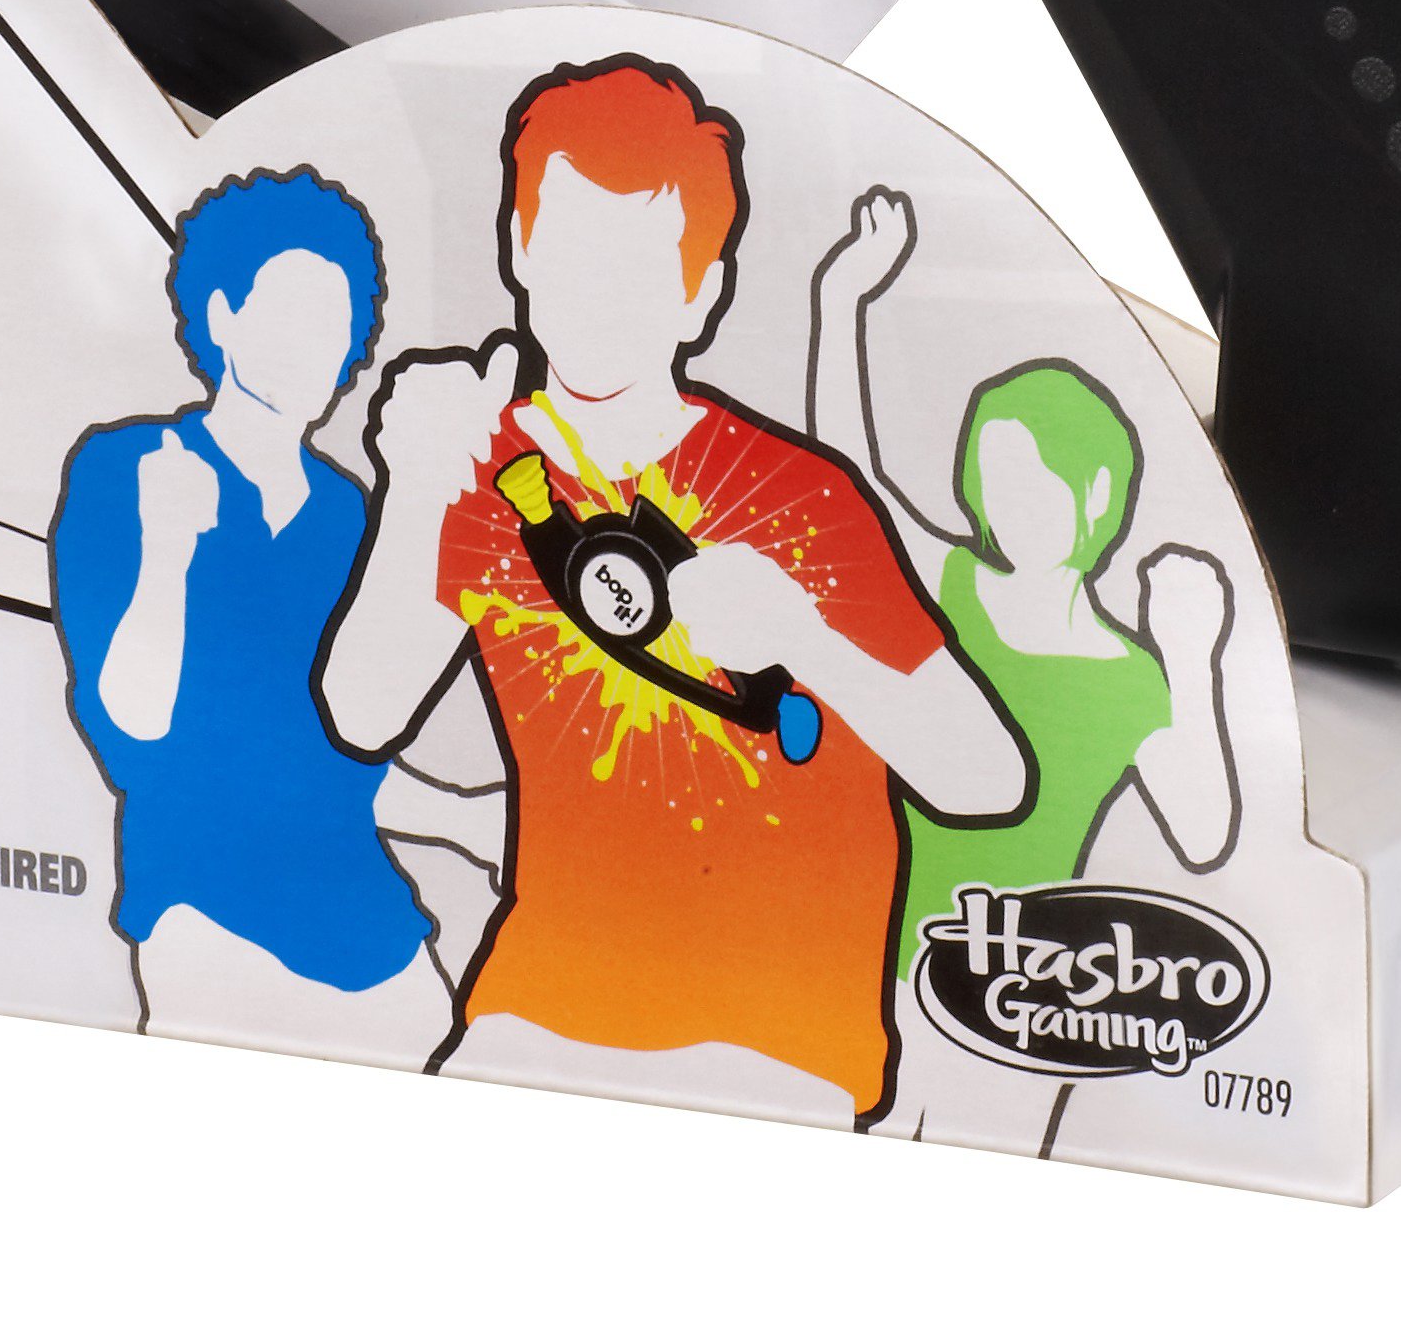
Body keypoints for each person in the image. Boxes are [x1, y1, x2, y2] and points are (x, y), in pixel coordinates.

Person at [322, 58, 1025, 1128]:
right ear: (517, 245)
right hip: (541, 1000)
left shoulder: (797, 495)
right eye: (569, 249)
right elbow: (361, 710)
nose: (596, 302)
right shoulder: (480, 467)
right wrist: (415, 483)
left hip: (775, 1033)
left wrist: (801, 636)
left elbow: (984, 775)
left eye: (640, 269)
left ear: (701, 293)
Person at [806, 185, 1241, 1148]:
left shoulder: (1130, 673)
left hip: (1018, 993)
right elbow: (852, 486)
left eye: (1031, 478)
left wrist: (1192, 654)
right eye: (991, 475)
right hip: (878, 949)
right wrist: (842, 302)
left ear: (1096, 492)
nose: (1006, 502)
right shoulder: (955, 583)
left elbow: (1204, 830)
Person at [51, 166, 472, 1064]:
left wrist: (468, 819)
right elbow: (131, 725)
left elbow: (338, 758)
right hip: (203, 908)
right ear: (220, 316)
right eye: (286, 314)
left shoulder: (346, 514)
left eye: (335, 323)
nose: (315, 347)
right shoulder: (128, 467)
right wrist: (167, 549)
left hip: (366, 923)